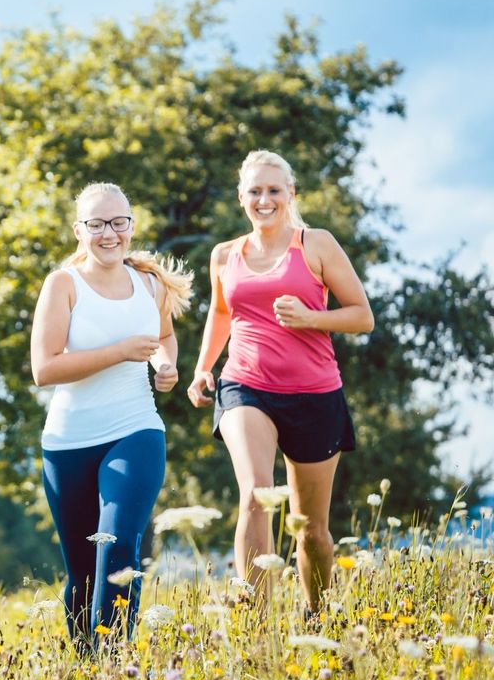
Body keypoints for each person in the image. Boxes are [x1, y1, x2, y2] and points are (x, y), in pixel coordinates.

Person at [187, 150, 373, 614]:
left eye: (274, 190)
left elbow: (362, 317)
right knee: (255, 494)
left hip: (315, 395)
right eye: (255, 191)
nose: (264, 199)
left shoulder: (316, 244)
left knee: (311, 529)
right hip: (244, 386)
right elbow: (221, 313)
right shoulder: (224, 255)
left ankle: (318, 618)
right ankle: (256, 624)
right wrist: (203, 366)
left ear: (290, 194)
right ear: (241, 197)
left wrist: (311, 317)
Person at [30, 182, 192, 646]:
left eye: (118, 223)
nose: (109, 234)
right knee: (82, 571)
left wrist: (164, 366)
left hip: (136, 429)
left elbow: (163, 336)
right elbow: (45, 369)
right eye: (97, 224)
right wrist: (120, 351)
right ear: (79, 230)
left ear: (131, 226)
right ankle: (85, 665)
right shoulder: (63, 285)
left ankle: (114, 666)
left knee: (118, 548)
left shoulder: (149, 282)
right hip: (68, 443)